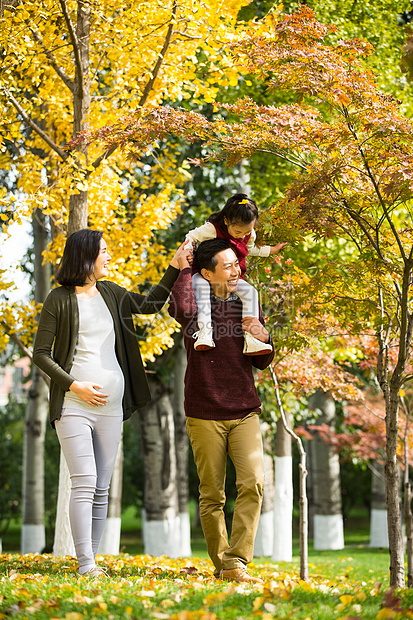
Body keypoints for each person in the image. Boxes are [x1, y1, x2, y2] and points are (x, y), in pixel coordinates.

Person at [33, 229, 189, 577]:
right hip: (74, 404)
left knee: (102, 487)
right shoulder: (58, 299)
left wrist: (175, 267)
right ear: (85, 256)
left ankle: (94, 561)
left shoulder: (111, 292)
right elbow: (40, 355)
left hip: (112, 407)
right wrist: (75, 386)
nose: (109, 256)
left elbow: (149, 305)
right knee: (85, 480)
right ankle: (85, 564)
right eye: (103, 251)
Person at [168, 238, 274, 585]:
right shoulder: (194, 302)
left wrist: (263, 335)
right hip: (204, 411)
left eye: (236, 263)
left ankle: (236, 560)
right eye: (227, 265)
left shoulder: (246, 301)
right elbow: (181, 309)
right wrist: (184, 269)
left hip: (244, 408)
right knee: (212, 493)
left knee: (253, 483)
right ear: (206, 274)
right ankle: (224, 563)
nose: (237, 269)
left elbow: (261, 361)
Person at [185, 193, 286, 353]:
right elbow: (191, 237)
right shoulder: (212, 228)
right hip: (206, 272)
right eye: (238, 231)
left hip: (230, 276)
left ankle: (251, 339)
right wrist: (187, 252)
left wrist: (271, 250)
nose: (242, 236)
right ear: (226, 221)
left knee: (250, 292)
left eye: (247, 231)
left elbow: (250, 248)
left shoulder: (248, 233)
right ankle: (204, 333)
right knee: (201, 289)